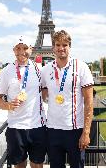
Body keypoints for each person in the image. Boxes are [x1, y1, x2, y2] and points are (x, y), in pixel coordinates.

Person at [41, 30, 94, 168]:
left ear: (69, 46)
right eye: (58, 44)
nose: (61, 48)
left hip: (75, 130)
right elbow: (42, 95)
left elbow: (89, 102)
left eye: (65, 44)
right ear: (53, 47)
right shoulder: (46, 70)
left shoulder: (81, 67)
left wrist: (86, 132)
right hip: (53, 129)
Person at [0, 36, 46, 168]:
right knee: (19, 165)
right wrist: (8, 105)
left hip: (37, 126)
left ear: (31, 49)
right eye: (18, 48)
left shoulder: (41, 69)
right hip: (15, 127)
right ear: (13, 50)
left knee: (38, 165)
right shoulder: (6, 71)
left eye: (25, 48)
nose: (22, 51)